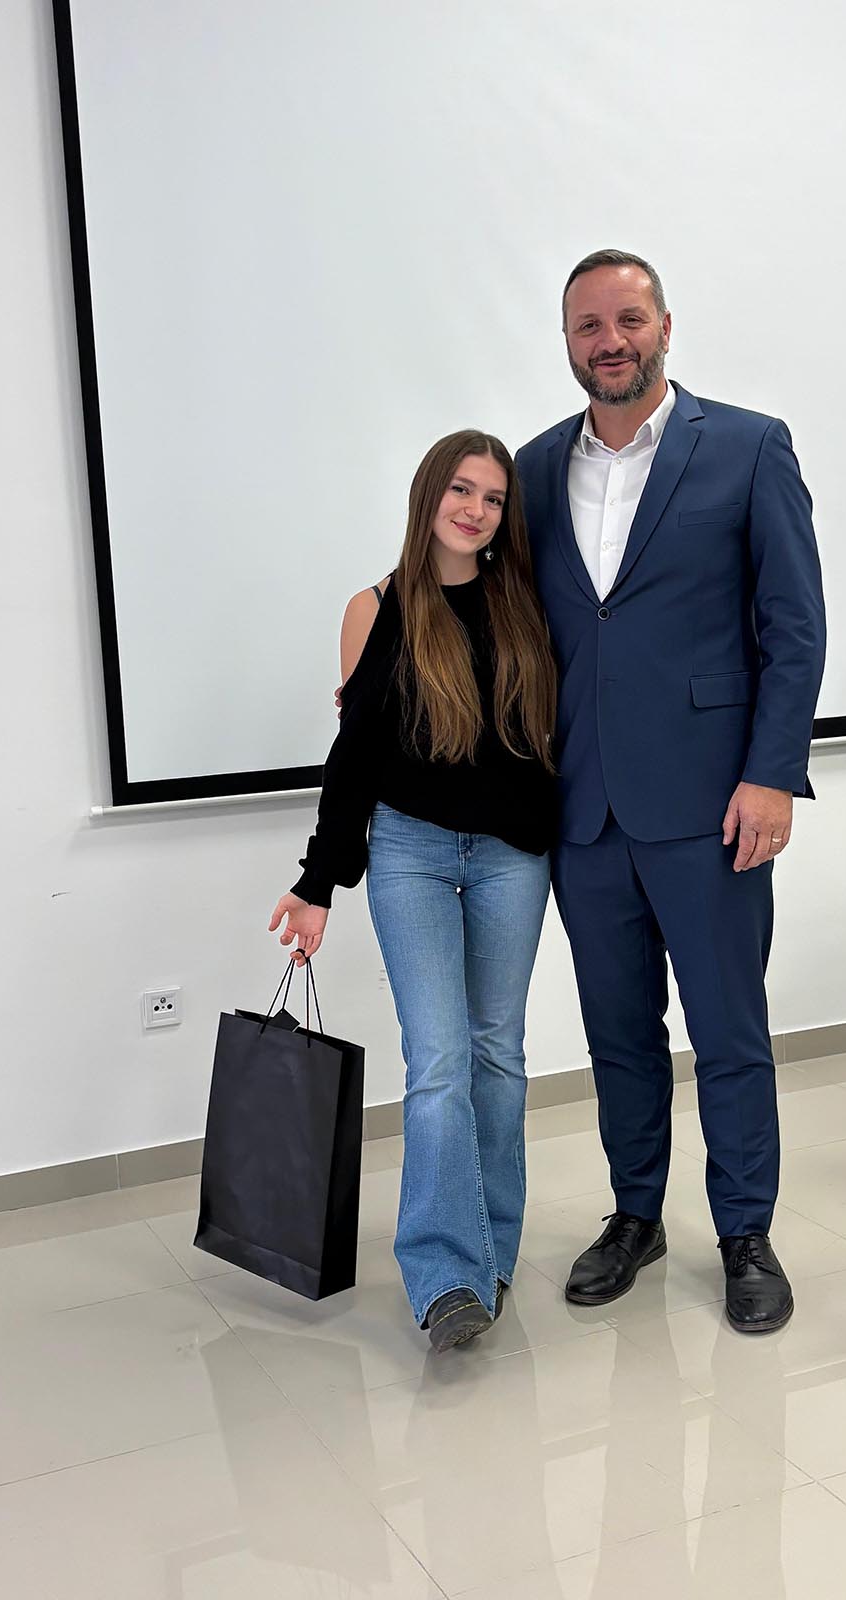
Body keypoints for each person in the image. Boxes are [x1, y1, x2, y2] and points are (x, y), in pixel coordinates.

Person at [515, 250, 826, 1333]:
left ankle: (745, 1232)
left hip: (712, 807)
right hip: (583, 809)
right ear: (568, 342)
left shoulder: (746, 446)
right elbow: (488, 606)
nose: (610, 341)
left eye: (629, 319)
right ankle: (635, 1216)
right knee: (618, 1033)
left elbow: (794, 627)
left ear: (664, 326)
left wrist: (772, 774)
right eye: (589, 325)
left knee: (729, 1032)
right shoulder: (533, 468)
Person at [268, 430, 559, 1353]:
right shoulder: (378, 607)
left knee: (497, 1055)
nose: (476, 511)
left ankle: (490, 1252)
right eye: (461, 490)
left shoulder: (526, 603)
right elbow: (354, 755)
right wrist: (318, 881)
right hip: (411, 854)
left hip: (512, 858)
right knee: (438, 1060)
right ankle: (444, 1278)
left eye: (494, 498)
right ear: (429, 495)